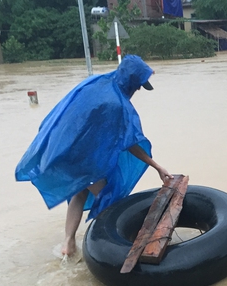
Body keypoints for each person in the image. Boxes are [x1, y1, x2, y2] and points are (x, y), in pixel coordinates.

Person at [15, 55, 172, 256]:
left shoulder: (96, 83)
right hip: (80, 159)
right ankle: (107, 246)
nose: (139, 89)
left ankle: (68, 243)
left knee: (80, 193)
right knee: (111, 198)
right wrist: (157, 166)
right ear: (131, 81)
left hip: (64, 152)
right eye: (138, 84)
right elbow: (130, 142)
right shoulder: (117, 105)